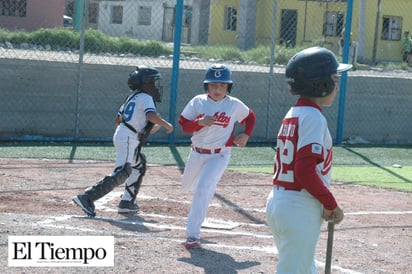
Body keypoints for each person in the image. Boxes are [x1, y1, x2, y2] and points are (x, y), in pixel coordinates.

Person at [265, 47, 350, 273]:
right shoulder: (313, 117)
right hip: (299, 205)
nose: (337, 85)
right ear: (320, 84)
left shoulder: (294, 112)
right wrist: (330, 203)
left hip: (281, 201)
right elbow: (304, 170)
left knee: (304, 267)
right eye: (334, 78)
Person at [73, 66, 174, 217]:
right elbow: (151, 116)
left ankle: (127, 203)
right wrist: (166, 124)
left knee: (138, 164)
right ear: (144, 83)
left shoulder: (131, 97)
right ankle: (87, 197)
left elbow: (117, 120)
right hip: (128, 137)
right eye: (152, 82)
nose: (155, 86)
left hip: (124, 134)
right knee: (123, 171)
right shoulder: (146, 97)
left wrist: (137, 125)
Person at [179, 64, 256, 249]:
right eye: (214, 85)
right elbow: (183, 124)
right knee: (188, 186)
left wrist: (246, 134)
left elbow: (250, 117)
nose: (218, 89)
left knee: (203, 189)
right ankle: (208, 186)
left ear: (228, 87)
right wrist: (199, 122)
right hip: (197, 153)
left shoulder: (233, 104)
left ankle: (193, 235)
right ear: (207, 86)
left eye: (222, 85)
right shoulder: (198, 101)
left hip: (219, 154)